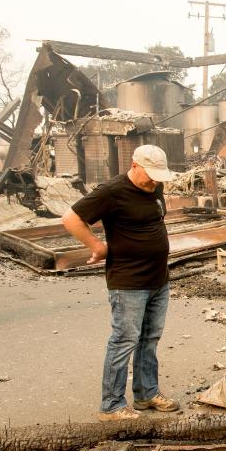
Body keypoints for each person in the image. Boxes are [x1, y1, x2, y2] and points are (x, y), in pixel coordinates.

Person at [62, 144, 181, 421]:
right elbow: (70, 219)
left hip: (158, 279)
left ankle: (146, 393)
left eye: (158, 176)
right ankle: (112, 405)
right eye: (150, 175)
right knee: (123, 340)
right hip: (129, 283)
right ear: (134, 165)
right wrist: (97, 245)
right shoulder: (111, 191)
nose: (154, 181)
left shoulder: (155, 186)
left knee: (149, 338)